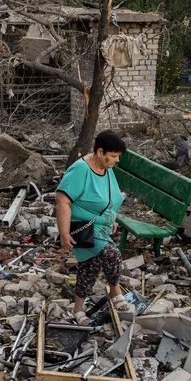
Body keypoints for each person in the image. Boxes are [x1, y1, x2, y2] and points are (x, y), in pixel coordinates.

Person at [56, 131, 128, 325]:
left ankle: (78, 310)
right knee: (112, 254)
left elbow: (110, 198)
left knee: (90, 267)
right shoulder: (81, 169)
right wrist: (63, 233)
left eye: (118, 156)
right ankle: (115, 290)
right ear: (99, 151)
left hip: (101, 228)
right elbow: (62, 200)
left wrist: (111, 217)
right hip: (82, 228)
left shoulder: (106, 167)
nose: (116, 160)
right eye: (113, 156)